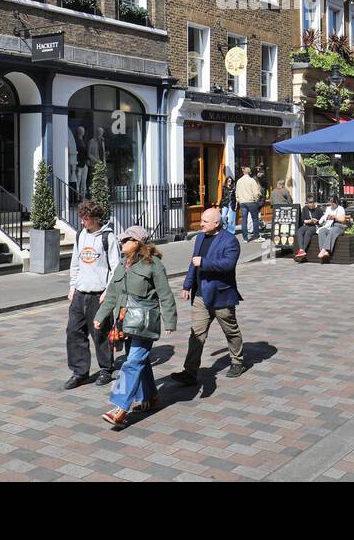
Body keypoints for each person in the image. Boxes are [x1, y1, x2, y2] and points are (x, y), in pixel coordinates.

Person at [93, 226, 177, 429]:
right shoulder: (123, 264)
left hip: (145, 322)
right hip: (125, 321)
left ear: (138, 242)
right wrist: (101, 315)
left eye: (125, 240)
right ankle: (151, 398)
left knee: (131, 363)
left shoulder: (153, 265)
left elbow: (165, 294)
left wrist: (170, 320)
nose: (121, 243)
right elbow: (113, 293)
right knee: (140, 361)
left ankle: (120, 407)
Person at [172, 207, 245, 385]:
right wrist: (188, 284)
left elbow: (228, 265)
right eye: (202, 220)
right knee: (196, 334)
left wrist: (204, 262)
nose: (201, 224)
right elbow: (193, 263)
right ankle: (190, 372)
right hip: (200, 295)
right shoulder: (200, 238)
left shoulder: (230, 241)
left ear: (216, 223)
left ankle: (237, 361)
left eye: (205, 221)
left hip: (221, 296)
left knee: (230, 330)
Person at [64, 199, 120, 390]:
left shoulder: (107, 237)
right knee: (74, 332)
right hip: (80, 294)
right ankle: (79, 372)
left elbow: (116, 268)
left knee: (101, 334)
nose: (82, 221)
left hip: (99, 295)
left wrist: (108, 292)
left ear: (95, 218)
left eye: (85, 218)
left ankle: (106, 369)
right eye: (81, 217)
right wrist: (73, 286)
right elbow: (75, 264)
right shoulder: (80, 236)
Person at [315, 196, 350, 261]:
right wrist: (327, 217)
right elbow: (325, 217)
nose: (331, 204)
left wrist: (335, 217)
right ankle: (326, 253)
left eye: (332, 203)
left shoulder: (341, 208)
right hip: (330, 225)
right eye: (330, 203)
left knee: (332, 231)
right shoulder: (328, 209)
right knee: (322, 231)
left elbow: (342, 219)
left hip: (339, 226)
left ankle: (323, 250)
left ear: (336, 202)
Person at [235, 165, 263, 242]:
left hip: (242, 202)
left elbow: (236, 193)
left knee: (244, 220)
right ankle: (256, 236)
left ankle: (245, 238)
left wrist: (239, 200)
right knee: (255, 219)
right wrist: (256, 199)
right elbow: (256, 192)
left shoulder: (239, 181)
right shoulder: (252, 181)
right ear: (249, 172)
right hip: (251, 202)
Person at [219, 168, 237, 235]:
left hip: (232, 204)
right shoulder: (224, 188)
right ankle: (225, 225)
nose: (229, 182)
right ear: (226, 181)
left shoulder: (234, 188)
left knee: (231, 219)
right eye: (228, 181)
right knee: (223, 216)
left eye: (230, 181)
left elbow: (236, 197)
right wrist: (221, 205)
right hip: (225, 204)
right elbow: (222, 197)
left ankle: (231, 232)